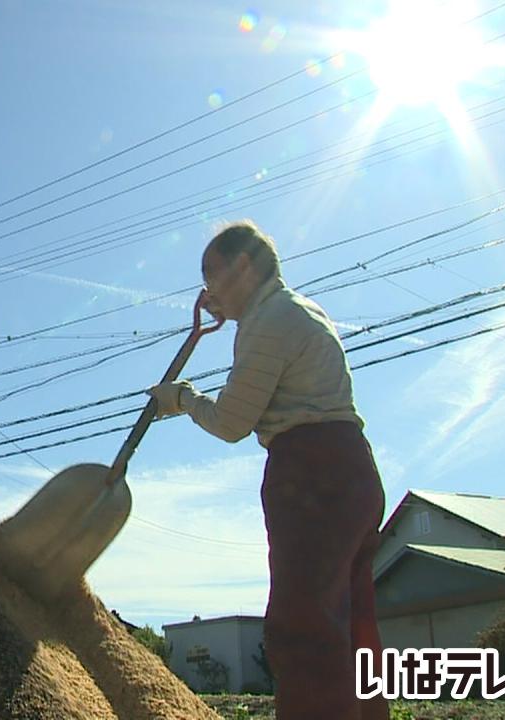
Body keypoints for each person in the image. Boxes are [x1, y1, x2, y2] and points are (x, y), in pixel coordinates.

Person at [148, 220, 389, 720]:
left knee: (303, 628)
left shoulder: (270, 321)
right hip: (352, 470)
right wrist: (231, 311)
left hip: (312, 475)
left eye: (211, 274)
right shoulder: (297, 309)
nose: (206, 290)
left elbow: (232, 422)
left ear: (243, 266)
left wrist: (182, 399)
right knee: (350, 626)